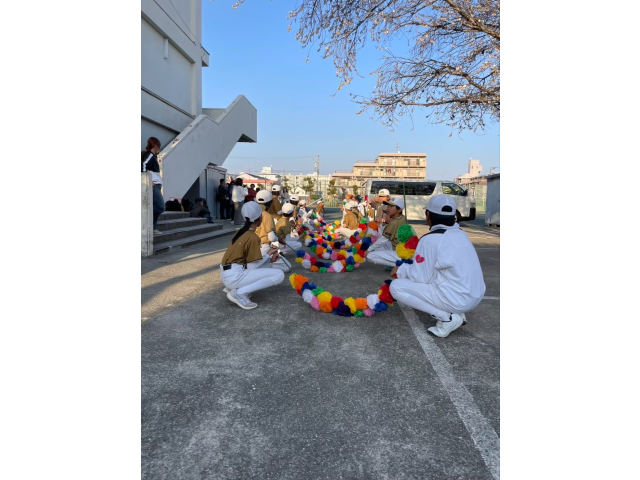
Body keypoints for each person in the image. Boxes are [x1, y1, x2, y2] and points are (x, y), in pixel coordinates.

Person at [389, 195, 485, 338]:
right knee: (439, 273)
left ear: (428, 215)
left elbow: (421, 277)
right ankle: (457, 313)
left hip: (459, 299)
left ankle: (447, 318)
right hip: (475, 295)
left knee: (396, 287)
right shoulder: (460, 233)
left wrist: (401, 269)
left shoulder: (430, 239)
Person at [220, 202, 285, 310]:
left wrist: (269, 260)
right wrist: (269, 253)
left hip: (228, 274)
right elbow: (252, 267)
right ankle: (239, 293)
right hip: (235, 276)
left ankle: (236, 288)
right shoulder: (252, 237)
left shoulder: (240, 232)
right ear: (260, 217)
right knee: (279, 274)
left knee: (269, 266)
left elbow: (248, 263)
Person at [366, 197, 406, 269]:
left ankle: (399, 265)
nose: (388, 208)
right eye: (388, 206)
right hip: (406, 252)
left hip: (399, 254)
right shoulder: (403, 218)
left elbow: (382, 240)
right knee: (384, 243)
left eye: (391, 206)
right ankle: (398, 264)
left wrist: (368, 250)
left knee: (369, 256)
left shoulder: (393, 223)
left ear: (399, 209)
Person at [254, 190, 290, 272]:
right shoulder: (267, 215)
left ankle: (261, 266)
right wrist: (277, 238)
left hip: (253, 248)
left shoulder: (252, 213)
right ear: (269, 203)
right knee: (287, 266)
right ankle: (262, 268)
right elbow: (271, 237)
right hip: (264, 248)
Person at [141, 137, 164, 235]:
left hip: (156, 184)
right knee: (160, 207)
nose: (159, 149)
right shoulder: (150, 155)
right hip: (153, 185)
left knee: (155, 206)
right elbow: (143, 165)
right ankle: (144, 220)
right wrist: (148, 181)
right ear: (155, 146)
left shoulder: (153, 156)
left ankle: (153, 227)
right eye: (159, 146)